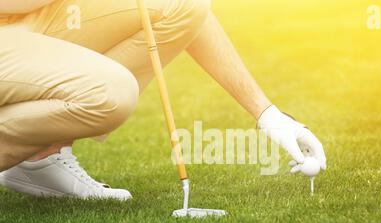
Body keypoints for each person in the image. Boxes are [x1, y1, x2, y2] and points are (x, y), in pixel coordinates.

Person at [0, 0, 326, 200]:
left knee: (183, 4)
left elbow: (192, 17)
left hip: (35, 15)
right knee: (112, 93)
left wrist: (267, 114)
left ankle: (41, 156)